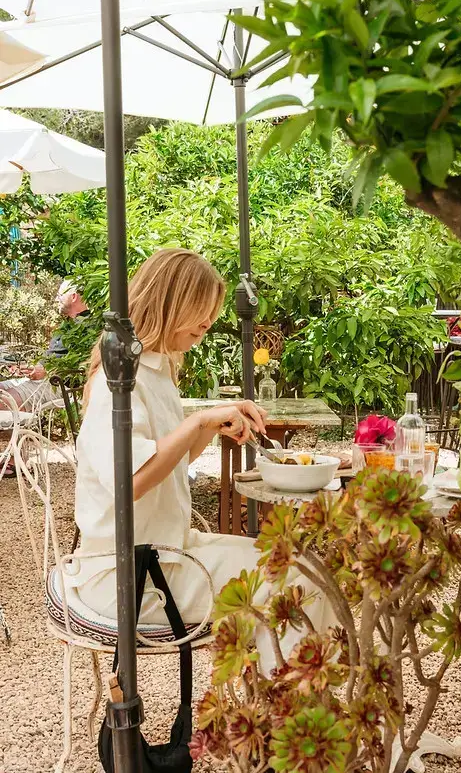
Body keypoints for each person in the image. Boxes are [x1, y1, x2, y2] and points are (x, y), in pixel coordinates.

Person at [65, 249, 336, 674]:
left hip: (166, 552)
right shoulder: (116, 384)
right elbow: (129, 483)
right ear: (170, 303)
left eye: (213, 312)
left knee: (297, 561)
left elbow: (167, 464)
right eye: (202, 310)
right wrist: (198, 423)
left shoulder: (154, 372)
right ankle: (296, 716)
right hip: (129, 577)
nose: (210, 322)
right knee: (301, 580)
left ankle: (284, 704)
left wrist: (211, 428)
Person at [0, 280, 89, 477]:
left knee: (7, 399)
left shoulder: (88, 326)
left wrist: (47, 371)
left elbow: (84, 364)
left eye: (60, 294)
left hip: (61, 384)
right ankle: (15, 457)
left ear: (73, 296)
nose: (56, 298)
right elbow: (53, 357)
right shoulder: (67, 325)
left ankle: (17, 459)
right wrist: (32, 368)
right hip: (44, 378)